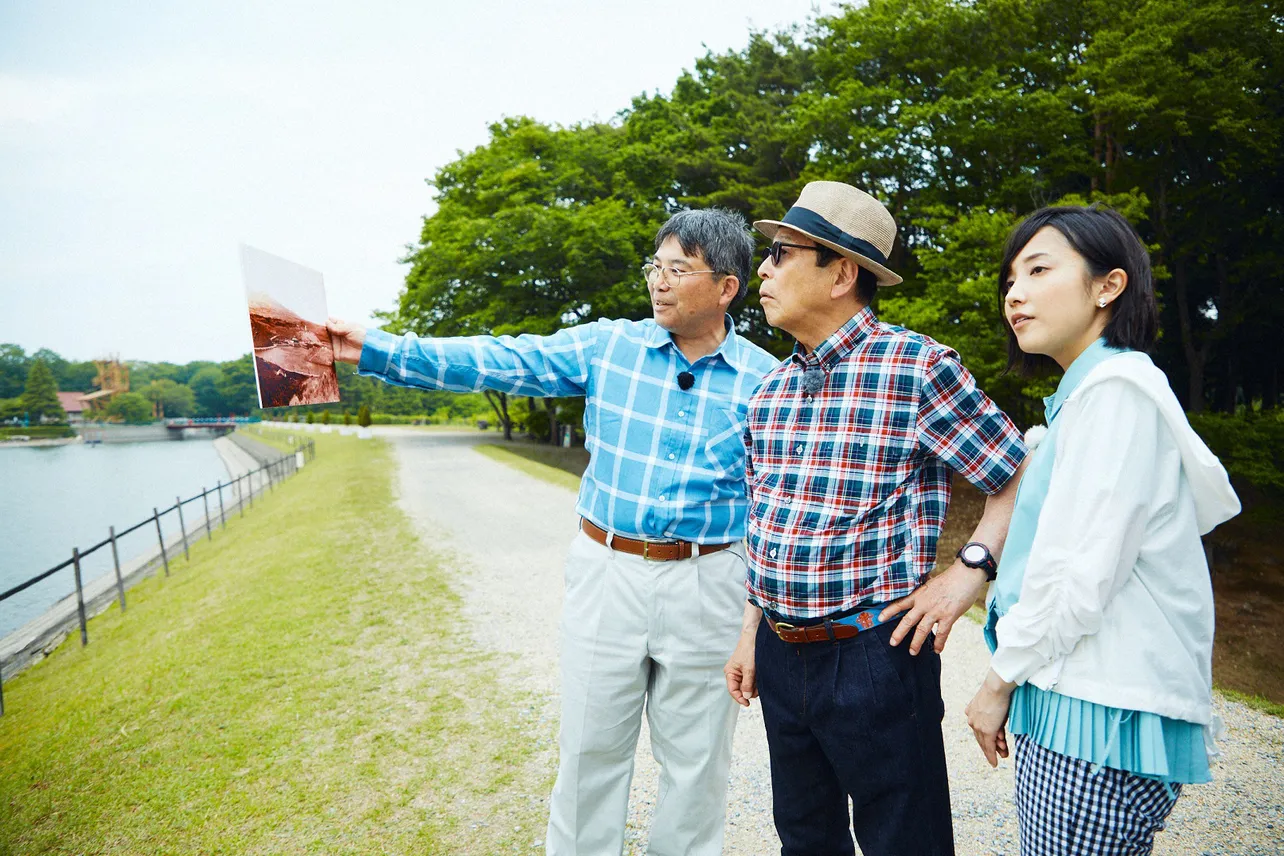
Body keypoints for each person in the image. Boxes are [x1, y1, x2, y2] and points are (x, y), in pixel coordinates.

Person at [328, 208, 779, 856]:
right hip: (607, 571)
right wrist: (372, 348)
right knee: (588, 757)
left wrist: (752, 623)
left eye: (679, 269)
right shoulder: (609, 347)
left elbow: (773, 510)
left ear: (727, 286)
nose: (660, 281)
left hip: (709, 580)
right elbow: (499, 360)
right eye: (656, 266)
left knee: (697, 770)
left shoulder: (767, 382)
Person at [722, 181, 1028, 856]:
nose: (762, 270)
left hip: (875, 655)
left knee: (904, 841)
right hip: (780, 652)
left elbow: (1018, 473)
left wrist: (969, 571)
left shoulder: (918, 368)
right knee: (804, 838)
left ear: (843, 273)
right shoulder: (769, 390)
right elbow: (763, 525)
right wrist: (750, 634)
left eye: (780, 254)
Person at [963, 205, 1240, 855]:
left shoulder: (1117, 396)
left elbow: (1077, 575)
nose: (1015, 294)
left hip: (1097, 703)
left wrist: (997, 681)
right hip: (1082, 695)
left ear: (1107, 285)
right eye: (1009, 279)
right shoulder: (1091, 400)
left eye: (1038, 269)